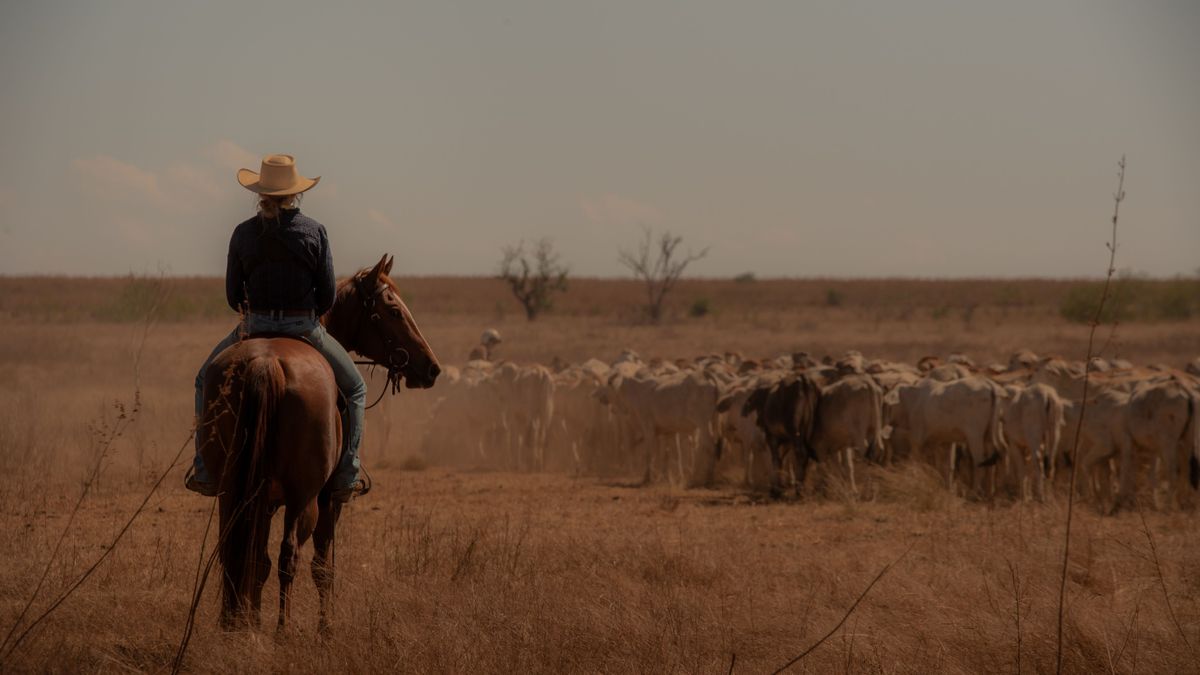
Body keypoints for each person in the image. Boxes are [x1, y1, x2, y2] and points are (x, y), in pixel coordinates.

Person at [185, 154, 368, 503]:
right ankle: (347, 474)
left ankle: (205, 471)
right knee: (356, 389)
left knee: (202, 379)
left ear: (260, 193)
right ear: (295, 194)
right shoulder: (315, 231)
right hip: (304, 328)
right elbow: (328, 294)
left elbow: (231, 295)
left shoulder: (242, 233)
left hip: (252, 326)